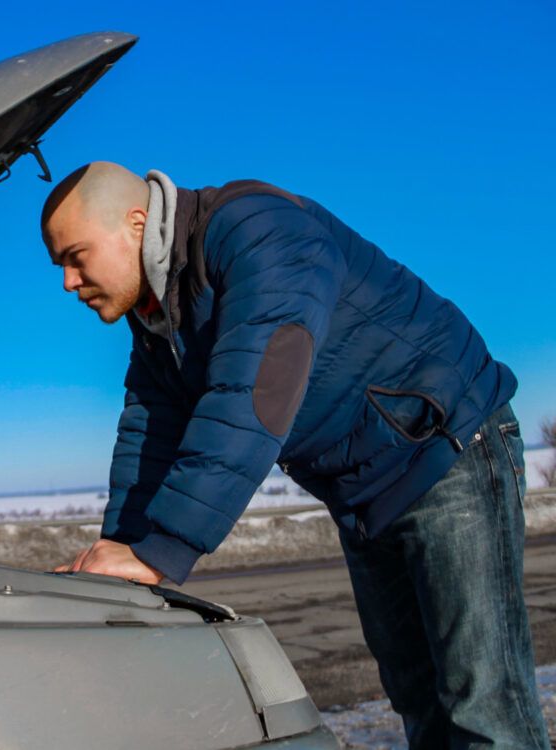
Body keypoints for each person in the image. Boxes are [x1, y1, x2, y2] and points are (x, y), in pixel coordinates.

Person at [42, 162, 549, 748]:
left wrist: (163, 550)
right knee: (418, 698)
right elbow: (149, 431)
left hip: (446, 451)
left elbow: (257, 390)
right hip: (363, 492)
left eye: (76, 256)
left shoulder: (259, 231)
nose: (68, 282)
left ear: (136, 223)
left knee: (482, 703)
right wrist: (123, 551)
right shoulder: (158, 315)